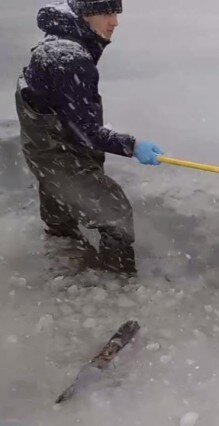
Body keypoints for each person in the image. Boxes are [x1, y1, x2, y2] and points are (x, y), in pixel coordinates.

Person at [15, 0, 164, 275]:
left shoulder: (61, 38)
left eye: (116, 13)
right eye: (106, 13)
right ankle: (116, 288)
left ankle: (63, 255)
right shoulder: (69, 59)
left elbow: (72, 115)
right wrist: (132, 145)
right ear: (85, 14)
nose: (114, 22)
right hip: (57, 152)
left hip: (47, 148)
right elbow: (86, 131)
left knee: (59, 208)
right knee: (115, 212)